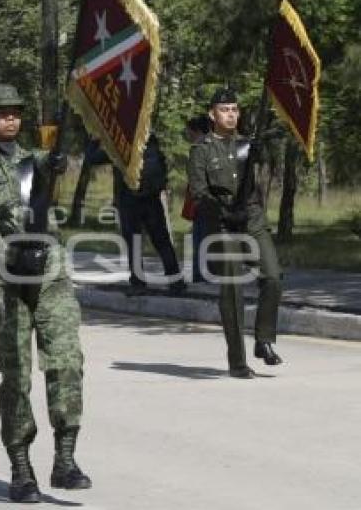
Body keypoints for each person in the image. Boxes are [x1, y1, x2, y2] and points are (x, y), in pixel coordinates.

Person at [0, 84, 90, 503]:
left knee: (67, 361)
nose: (10, 120)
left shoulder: (37, 161)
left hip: (49, 273)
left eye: (15, 114)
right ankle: (20, 468)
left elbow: (60, 185)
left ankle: (65, 459)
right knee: (15, 379)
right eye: (1, 114)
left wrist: (58, 166)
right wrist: (6, 249)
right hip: (5, 281)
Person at [187, 87, 283, 379]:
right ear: (212, 114)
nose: (231, 114)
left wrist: (263, 142)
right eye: (224, 110)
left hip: (252, 217)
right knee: (232, 291)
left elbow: (263, 164)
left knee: (273, 277)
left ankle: (263, 340)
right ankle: (238, 362)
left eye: (234, 110)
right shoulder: (202, 150)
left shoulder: (248, 146)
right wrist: (222, 211)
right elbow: (198, 192)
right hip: (223, 222)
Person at [86, 135, 185, 296]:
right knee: (162, 241)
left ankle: (138, 283)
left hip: (129, 199)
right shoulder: (150, 140)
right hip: (152, 200)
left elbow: (92, 158)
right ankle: (176, 281)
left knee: (134, 243)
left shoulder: (120, 144)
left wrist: (95, 139)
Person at [181, 114, 211, 283]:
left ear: (196, 130)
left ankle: (199, 274)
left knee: (200, 240)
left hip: (202, 201)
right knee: (203, 238)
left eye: (189, 130)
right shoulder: (215, 145)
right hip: (210, 201)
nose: (188, 134)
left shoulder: (199, 148)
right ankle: (202, 273)